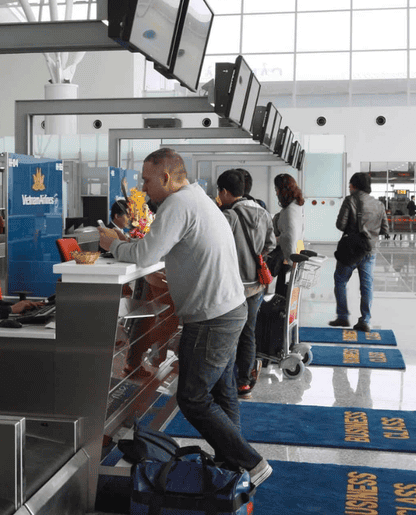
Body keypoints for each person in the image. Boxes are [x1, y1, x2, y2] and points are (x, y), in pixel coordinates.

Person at [97, 148, 273, 487]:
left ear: (165, 177)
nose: (144, 189)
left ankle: (250, 462)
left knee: (193, 397)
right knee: (222, 393)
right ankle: (231, 463)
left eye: (147, 180)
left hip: (212, 317)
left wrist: (113, 245)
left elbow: (147, 252)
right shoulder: (197, 199)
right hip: (228, 309)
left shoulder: (178, 204)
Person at [217, 170, 275, 399]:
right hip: (256, 286)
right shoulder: (262, 212)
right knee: (248, 332)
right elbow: (270, 244)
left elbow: (218, 248)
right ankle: (244, 383)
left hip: (234, 286)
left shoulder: (229, 216)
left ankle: (226, 382)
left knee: (230, 333)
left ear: (224, 191)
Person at [329, 172, 388, 333]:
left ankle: (342, 316)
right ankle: (365, 320)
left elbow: (340, 225)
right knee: (367, 286)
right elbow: (385, 229)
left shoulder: (350, 200)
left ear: (355, 186)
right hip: (370, 251)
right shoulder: (379, 204)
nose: (349, 188)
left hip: (351, 250)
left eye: (350, 185)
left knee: (340, 280)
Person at [272, 173, 305, 297]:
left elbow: (290, 237)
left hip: (289, 260)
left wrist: (275, 240)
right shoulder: (297, 205)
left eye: (276, 189)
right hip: (296, 254)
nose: (276, 193)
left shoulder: (290, 211)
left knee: (282, 295)